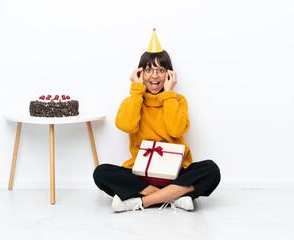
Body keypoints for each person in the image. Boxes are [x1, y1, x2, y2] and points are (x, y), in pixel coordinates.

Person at [93, 29, 220, 212]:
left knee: (211, 170)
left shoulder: (177, 100)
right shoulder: (132, 100)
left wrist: (168, 95)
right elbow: (127, 126)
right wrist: (136, 90)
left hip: (176, 173)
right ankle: (176, 196)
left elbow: (176, 130)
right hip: (142, 174)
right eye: (148, 70)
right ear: (140, 73)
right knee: (101, 172)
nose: (154, 76)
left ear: (169, 75)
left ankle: (143, 201)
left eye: (160, 70)